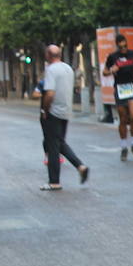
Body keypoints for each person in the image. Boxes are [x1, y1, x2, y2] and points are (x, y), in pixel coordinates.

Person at [39, 44, 88, 191]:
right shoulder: (68, 69)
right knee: (59, 143)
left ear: (48, 55)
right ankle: (80, 166)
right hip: (66, 112)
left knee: (53, 147)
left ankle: (54, 182)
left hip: (53, 112)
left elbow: (50, 94)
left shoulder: (51, 70)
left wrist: (44, 110)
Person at [104, 34, 133, 160]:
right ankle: (123, 147)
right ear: (117, 45)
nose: (124, 48)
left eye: (125, 45)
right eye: (121, 45)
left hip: (132, 87)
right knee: (123, 118)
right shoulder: (112, 56)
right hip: (120, 88)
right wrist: (111, 70)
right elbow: (104, 72)